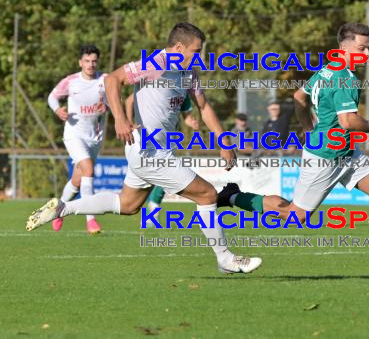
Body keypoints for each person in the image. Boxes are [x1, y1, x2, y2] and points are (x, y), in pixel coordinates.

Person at [27, 22, 261, 274]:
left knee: (128, 205)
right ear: (179, 47)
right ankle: (225, 259)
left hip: (154, 150)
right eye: (196, 50)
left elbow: (203, 107)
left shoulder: (189, 71)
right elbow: (112, 80)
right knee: (207, 195)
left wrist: (224, 142)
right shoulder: (154, 63)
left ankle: (61, 208)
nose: (199, 56)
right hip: (148, 151)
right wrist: (120, 118)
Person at [218, 22, 369, 274]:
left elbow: (299, 96)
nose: (367, 55)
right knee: (294, 216)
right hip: (325, 157)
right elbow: (348, 121)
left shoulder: (329, 69)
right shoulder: (344, 77)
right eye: (362, 49)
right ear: (344, 47)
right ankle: (231, 196)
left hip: (345, 152)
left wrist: (308, 128)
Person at [47, 44, 107, 234]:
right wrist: (58, 110)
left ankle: (58, 212)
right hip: (74, 135)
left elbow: (115, 101)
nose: (91, 64)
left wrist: (107, 107)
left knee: (77, 179)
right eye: (87, 61)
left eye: (94, 61)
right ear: (80, 62)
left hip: (94, 138)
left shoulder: (105, 80)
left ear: (98, 62)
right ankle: (91, 220)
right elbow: (52, 97)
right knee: (88, 169)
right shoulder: (71, 81)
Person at [125, 93, 200, 224]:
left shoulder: (183, 90)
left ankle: (151, 213)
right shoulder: (155, 83)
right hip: (149, 140)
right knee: (132, 199)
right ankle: (151, 212)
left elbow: (186, 117)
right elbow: (129, 100)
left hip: (168, 141)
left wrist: (191, 122)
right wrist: (129, 122)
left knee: (162, 180)